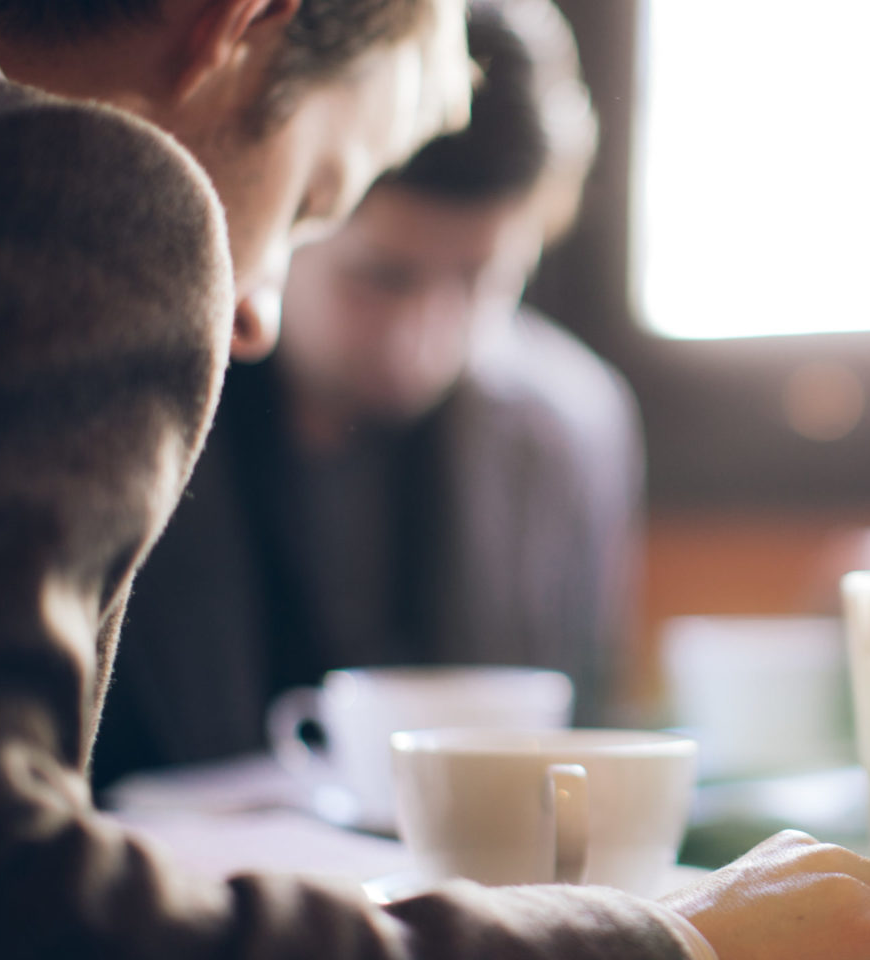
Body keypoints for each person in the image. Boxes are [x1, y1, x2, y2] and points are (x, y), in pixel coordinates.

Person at [0, 2, 870, 957]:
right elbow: (11, 887)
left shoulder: (566, 431)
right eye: (325, 217)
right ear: (230, 34)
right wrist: (671, 946)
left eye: (483, 280)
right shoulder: (84, 249)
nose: (252, 311)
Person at [91, 0, 641, 790]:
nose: (430, 340)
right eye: (383, 277)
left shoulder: (572, 432)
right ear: (297, 208)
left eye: (483, 277)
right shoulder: (124, 401)